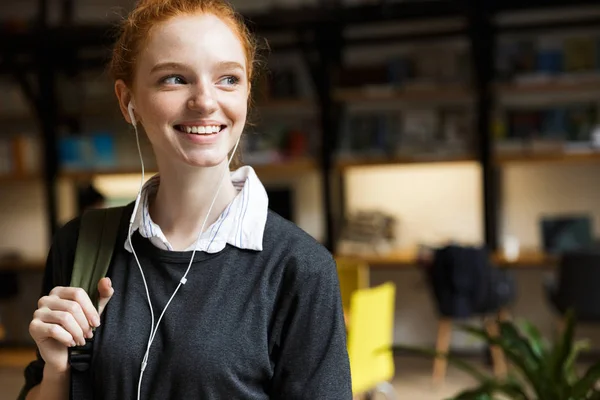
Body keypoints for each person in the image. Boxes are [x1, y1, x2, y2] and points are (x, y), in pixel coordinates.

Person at [19, 0, 352, 399]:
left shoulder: (300, 268)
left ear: (247, 92)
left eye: (228, 79)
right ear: (129, 101)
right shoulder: (81, 245)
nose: (205, 101)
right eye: (174, 79)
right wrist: (56, 367)